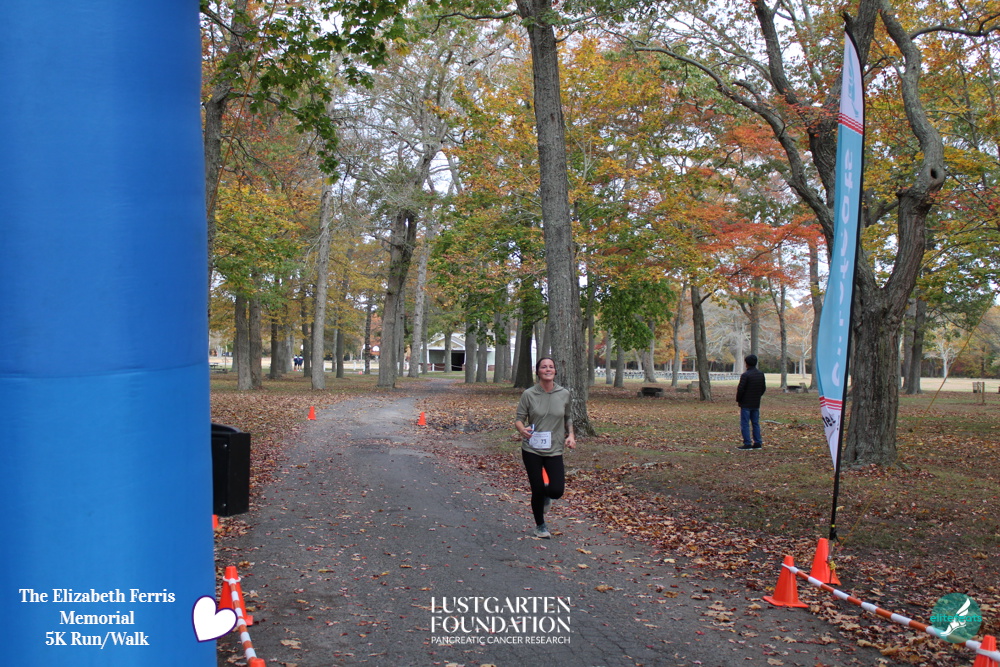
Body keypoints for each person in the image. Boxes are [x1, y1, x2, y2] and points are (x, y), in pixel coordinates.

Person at [514, 357, 576, 538]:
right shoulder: (529, 394)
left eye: (551, 367)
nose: (548, 369)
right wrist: (522, 430)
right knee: (537, 488)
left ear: (555, 371)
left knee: (557, 490)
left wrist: (571, 435)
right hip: (532, 448)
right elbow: (519, 419)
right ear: (538, 371)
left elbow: (568, 417)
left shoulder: (564, 393)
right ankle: (540, 526)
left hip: (554, 448)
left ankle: (547, 496)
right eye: (543, 367)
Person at [736, 354, 766, 450]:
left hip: (746, 402)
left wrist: (739, 399)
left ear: (747, 364)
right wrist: (757, 396)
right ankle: (757, 442)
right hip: (756, 402)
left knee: (745, 423)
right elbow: (763, 388)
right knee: (755, 423)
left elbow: (740, 389)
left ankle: (747, 443)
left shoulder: (746, 375)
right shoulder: (760, 374)